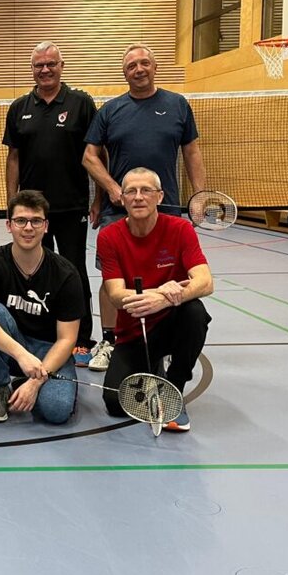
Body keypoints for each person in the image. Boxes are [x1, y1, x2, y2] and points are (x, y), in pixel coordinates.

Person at [83, 44, 207, 373]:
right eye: (131, 66)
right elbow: (89, 156)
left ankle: (164, 339)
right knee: (112, 279)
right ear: (124, 74)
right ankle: (110, 340)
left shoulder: (177, 105)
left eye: (144, 63)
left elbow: (192, 152)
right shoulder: (111, 110)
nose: (138, 69)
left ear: (154, 67)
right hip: (118, 210)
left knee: (172, 275)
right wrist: (113, 189)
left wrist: (200, 195)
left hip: (165, 207)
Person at [96, 167, 212, 432]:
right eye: (131, 191)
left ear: (159, 196)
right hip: (134, 333)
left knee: (194, 312)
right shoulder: (109, 236)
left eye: (146, 190)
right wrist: (161, 293)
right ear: (122, 198)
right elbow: (116, 295)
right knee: (115, 403)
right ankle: (153, 368)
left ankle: (173, 389)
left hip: (172, 324)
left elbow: (206, 282)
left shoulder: (181, 229)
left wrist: (168, 300)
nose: (138, 197)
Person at [4, 41, 98, 367]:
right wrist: (12, 203)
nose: (45, 70)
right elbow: (13, 158)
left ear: (61, 66)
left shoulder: (81, 103)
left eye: (51, 64)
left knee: (74, 272)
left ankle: (82, 338)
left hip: (71, 206)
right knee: (34, 273)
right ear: (32, 69)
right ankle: (43, 334)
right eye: (39, 65)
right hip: (32, 212)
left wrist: (98, 198)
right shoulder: (19, 107)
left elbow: (96, 154)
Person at [0, 190, 86, 424]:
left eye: (36, 221)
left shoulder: (66, 273)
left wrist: (36, 382)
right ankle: (1, 387)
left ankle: (28, 383)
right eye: (21, 220)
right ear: (9, 225)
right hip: (11, 346)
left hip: (48, 350)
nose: (28, 228)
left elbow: (67, 339)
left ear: (46, 226)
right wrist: (21, 355)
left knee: (57, 411)